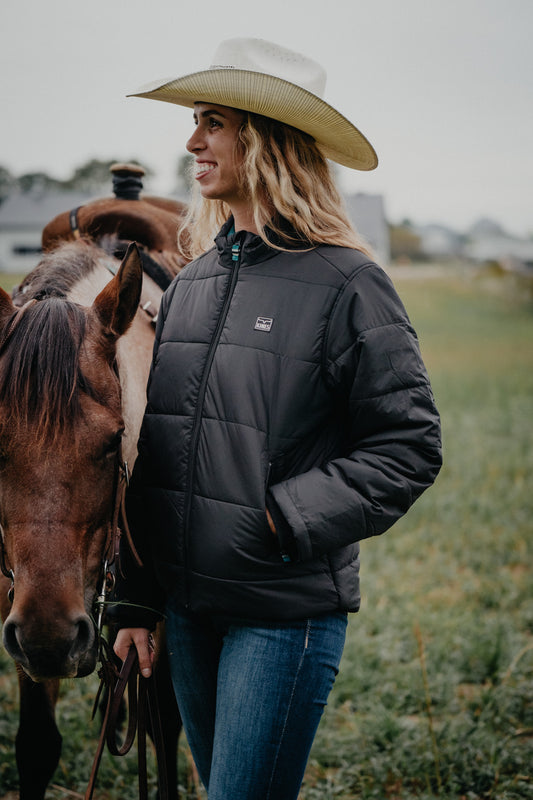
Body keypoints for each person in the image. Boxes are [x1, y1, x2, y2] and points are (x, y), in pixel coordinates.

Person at [113, 37, 442, 800]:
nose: (192, 141)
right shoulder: (191, 283)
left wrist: (277, 520)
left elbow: (408, 445)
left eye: (212, 122)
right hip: (188, 617)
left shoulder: (349, 282)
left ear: (267, 140)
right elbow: (157, 450)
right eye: (196, 121)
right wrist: (137, 598)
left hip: (280, 619)